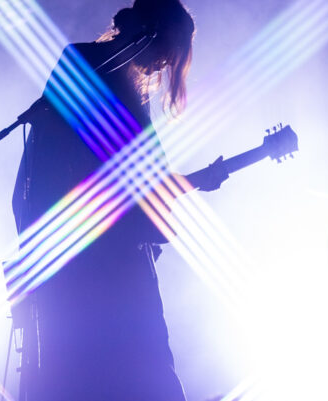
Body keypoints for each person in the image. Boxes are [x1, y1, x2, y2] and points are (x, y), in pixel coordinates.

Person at [11, 1, 196, 400]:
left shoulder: (126, 90)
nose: (163, 66)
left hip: (106, 271)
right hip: (94, 274)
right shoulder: (89, 69)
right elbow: (51, 171)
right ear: (150, 34)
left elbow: (142, 189)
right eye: (166, 53)